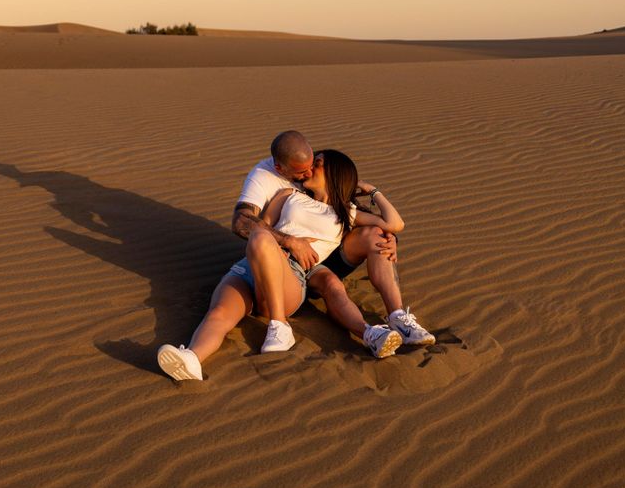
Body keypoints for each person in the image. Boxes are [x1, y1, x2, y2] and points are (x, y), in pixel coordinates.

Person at [157, 149, 435, 381]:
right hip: (247, 270)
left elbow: (394, 223)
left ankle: (283, 326)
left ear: (334, 173)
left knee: (274, 247)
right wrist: (288, 241)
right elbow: (259, 228)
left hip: (289, 275)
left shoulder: (348, 213)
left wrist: (372, 190)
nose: (311, 167)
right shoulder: (287, 196)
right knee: (218, 312)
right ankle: (192, 359)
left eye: (319, 163)